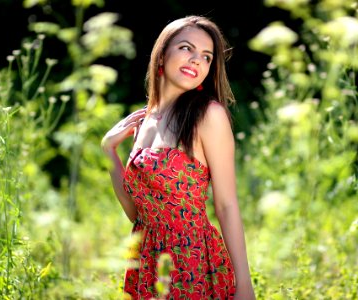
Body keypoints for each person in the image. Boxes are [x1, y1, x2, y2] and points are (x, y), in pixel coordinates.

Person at [101, 15, 255, 300]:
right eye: (186, 48)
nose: (197, 60)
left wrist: (244, 284)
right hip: (146, 262)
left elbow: (226, 204)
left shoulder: (208, 115)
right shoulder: (145, 120)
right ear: (161, 56)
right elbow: (138, 214)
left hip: (192, 262)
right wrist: (109, 151)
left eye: (206, 56)